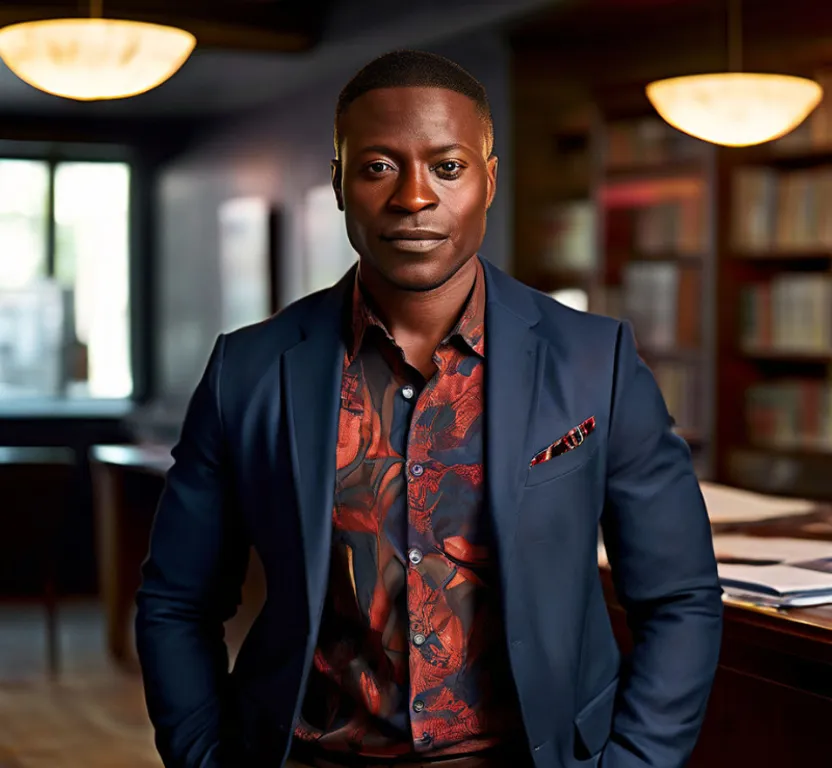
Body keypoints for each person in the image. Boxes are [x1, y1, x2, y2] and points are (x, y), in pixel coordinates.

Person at [135, 50, 723, 768]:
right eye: (379, 166)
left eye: (448, 167)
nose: (414, 197)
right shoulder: (248, 371)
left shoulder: (595, 361)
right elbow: (176, 603)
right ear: (339, 184)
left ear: (489, 180)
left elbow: (680, 598)